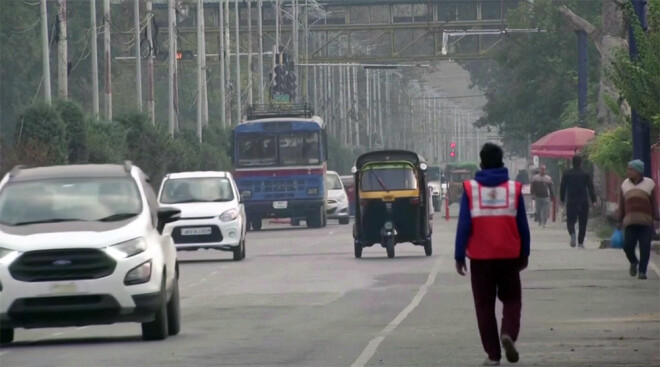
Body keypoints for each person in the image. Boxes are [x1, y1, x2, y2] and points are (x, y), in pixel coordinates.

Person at [455, 143, 531, 366]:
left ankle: (493, 355)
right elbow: (523, 226)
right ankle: (508, 332)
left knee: (484, 306)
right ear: (501, 162)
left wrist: (459, 255)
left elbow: (464, 225)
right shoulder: (514, 189)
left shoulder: (470, 189)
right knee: (512, 299)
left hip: (480, 259)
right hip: (509, 256)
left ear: (481, 163)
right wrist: (524, 253)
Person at [617, 160, 659, 280]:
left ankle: (642, 271)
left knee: (645, 246)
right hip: (630, 221)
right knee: (627, 246)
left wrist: (656, 218)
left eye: (631, 169)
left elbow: (654, 203)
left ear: (639, 171)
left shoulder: (649, 183)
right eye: (628, 169)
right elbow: (622, 204)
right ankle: (634, 261)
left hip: (646, 221)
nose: (628, 172)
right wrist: (619, 220)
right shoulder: (625, 184)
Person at [559, 155, 596, 248]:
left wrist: (562, 199)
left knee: (570, 221)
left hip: (572, 200)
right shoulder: (585, 174)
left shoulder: (567, 174)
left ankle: (572, 233)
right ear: (581, 163)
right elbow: (591, 188)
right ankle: (580, 242)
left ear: (572, 162)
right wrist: (594, 200)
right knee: (583, 222)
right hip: (583, 200)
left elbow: (563, 187)